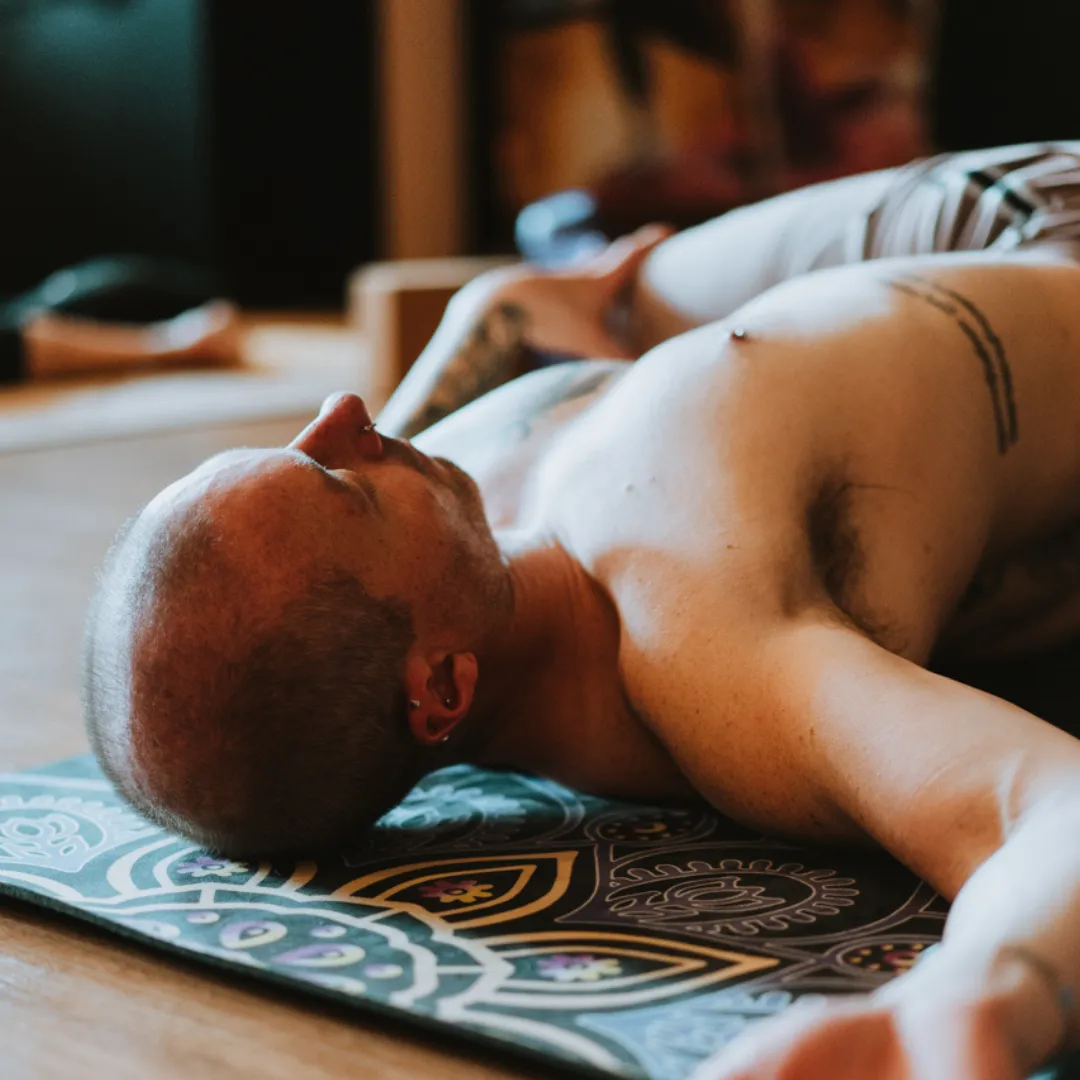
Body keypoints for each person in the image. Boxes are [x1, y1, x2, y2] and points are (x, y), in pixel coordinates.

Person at [84, 142, 1080, 1079]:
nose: (347, 414)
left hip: (911, 262)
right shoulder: (707, 646)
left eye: (296, 450)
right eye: (338, 483)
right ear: (440, 686)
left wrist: (504, 310)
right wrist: (989, 992)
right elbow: (1039, 805)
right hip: (1046, 250)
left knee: (581, 293)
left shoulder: (444, 533)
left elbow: (518, 311)